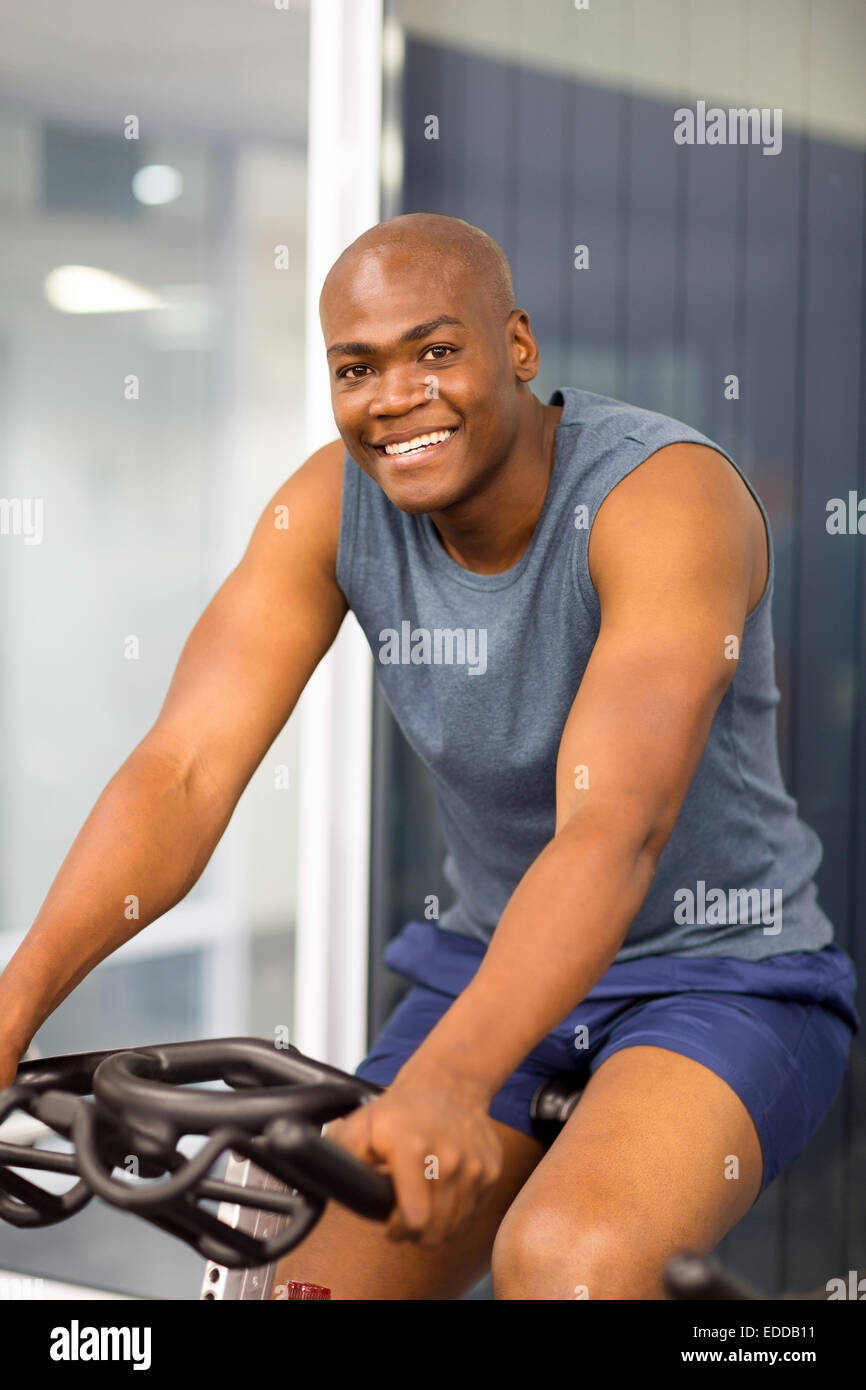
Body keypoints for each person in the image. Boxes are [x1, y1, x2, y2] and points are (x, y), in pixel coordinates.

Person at [0, 213, 858, 1301]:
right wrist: (16, 1000)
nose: (397, 397)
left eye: (435, 351)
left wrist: (450, 1081)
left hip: (723, 976)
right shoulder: (326, 506)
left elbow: (612, 826)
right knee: (299, 1283)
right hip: (492, 963)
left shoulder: (661, 500)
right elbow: (184, 769)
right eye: (358, 368)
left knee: (567, 1263)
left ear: (518, 348)